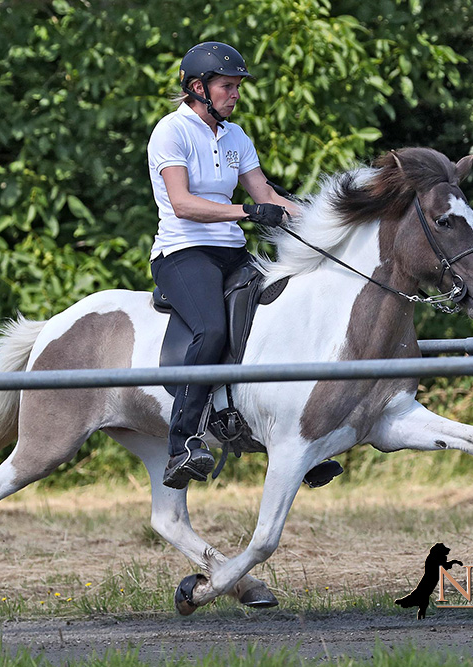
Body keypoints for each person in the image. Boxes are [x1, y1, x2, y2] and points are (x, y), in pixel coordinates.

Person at [148, 41, 297, 490]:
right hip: (183, 252)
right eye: (227, 86)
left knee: (285, 317)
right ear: (198, 88)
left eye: (237, 87)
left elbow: (266, 197)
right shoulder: (171, 132)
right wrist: (246, 214)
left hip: (231, 251)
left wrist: (334, 219)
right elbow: (183, 204)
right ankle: (183, 443)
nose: (235, 94)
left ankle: (294, 439)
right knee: (212, 330)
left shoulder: (235, 137)